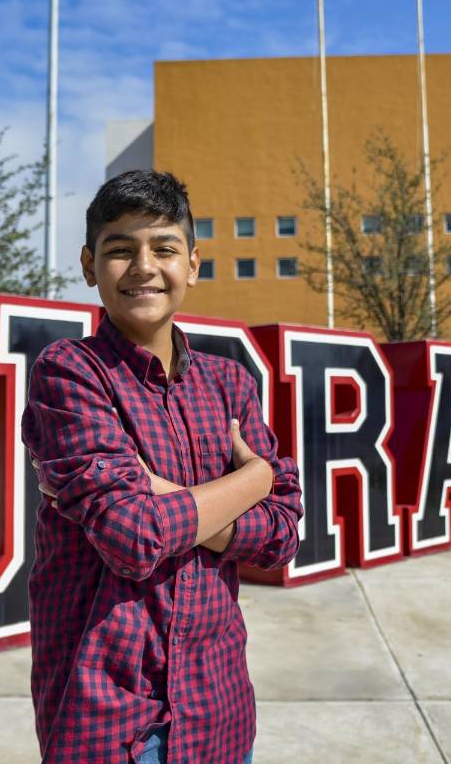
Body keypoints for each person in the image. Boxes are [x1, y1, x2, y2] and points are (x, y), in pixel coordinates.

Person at [21, 169, 304, 764]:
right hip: (108, 716)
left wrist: (171, 496)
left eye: (164, 248)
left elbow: (281, 535)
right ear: (87, 265)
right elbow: (130, 536)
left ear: (193, 265)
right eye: (120, 250)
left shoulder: (229, 382)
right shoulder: (68, 373)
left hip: (219, 709)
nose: (144, 266)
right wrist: (251, 480)